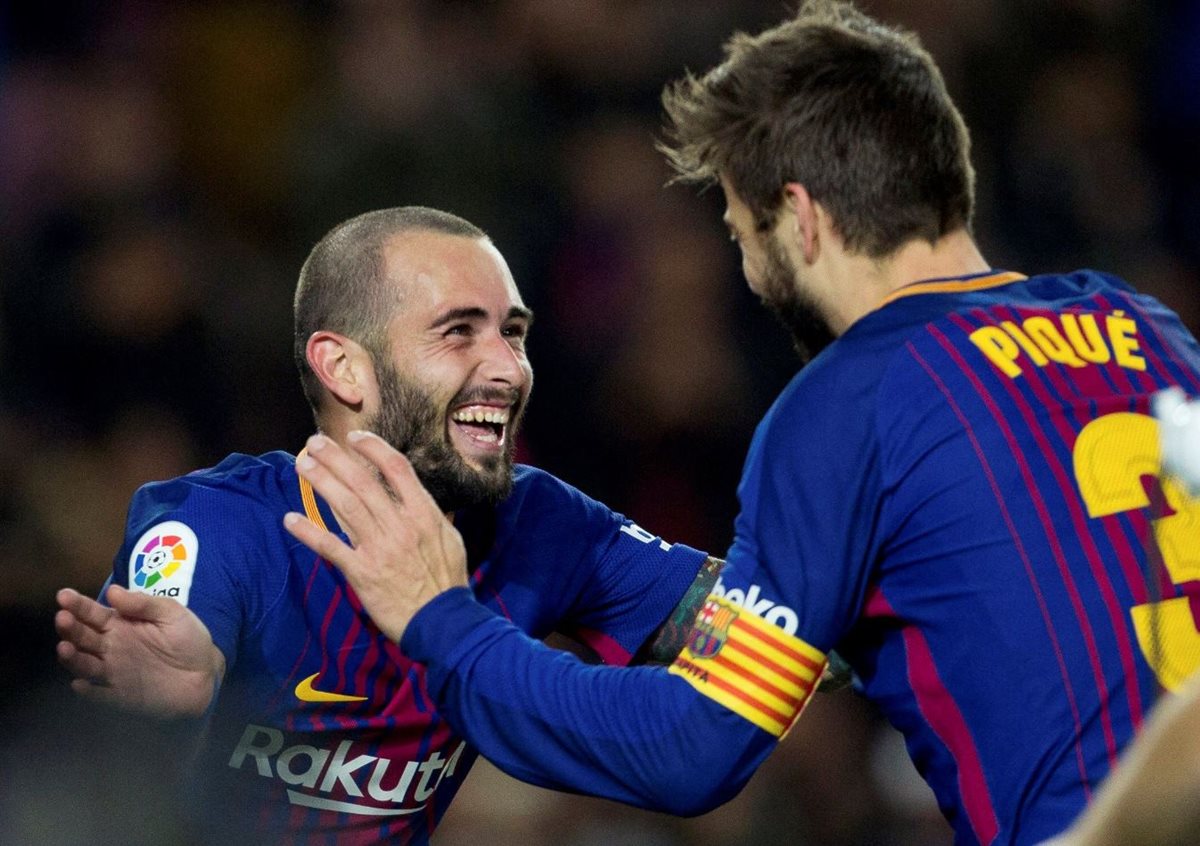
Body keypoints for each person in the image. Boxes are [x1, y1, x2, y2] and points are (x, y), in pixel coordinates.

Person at [275, 2, 1200, 845]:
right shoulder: (1147, 331)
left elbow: (688, 748)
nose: (748, 276)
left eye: (739, 232)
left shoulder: (851, 400)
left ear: (797, 217)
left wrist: (441, 621)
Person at [54, 205, 727, 844]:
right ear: (344, 367)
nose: (509, 369)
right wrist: (174, 688)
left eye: (513, 333)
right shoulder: (220, 522)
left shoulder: (543, 525)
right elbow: (177, 633)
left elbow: (770, 636)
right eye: (458, 331)